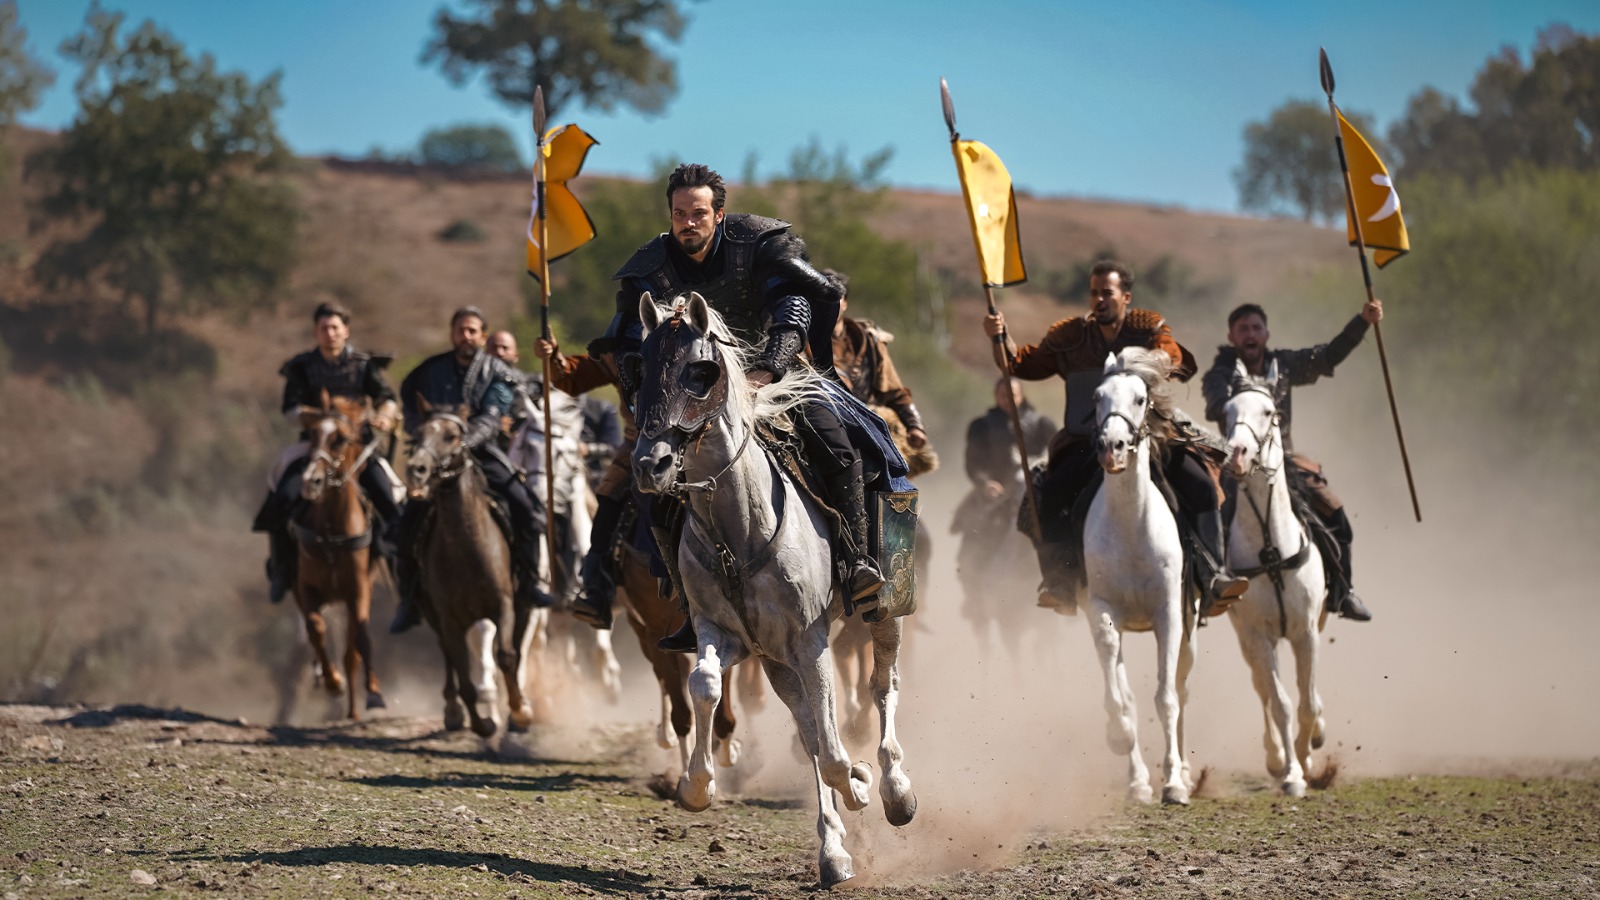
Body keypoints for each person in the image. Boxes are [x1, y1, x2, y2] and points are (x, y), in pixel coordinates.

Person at [611, 163, 909, 651]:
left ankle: (859, 564)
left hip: (774, 379)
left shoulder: (758, 246)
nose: (689, 222)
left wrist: (767, 369)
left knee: (845, 446)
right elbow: (626, 340)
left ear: (719, 214)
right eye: (679, 213)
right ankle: (690, 599)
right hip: (692, 399)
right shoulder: (650, 268)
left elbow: (793, 309)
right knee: (649, 479)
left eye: (699, 213)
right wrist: (643, 397)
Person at [984, 259, 1249, 615]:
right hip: (1084, 443)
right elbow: (1019, 364)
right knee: (1049, 494)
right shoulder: (1070, 338)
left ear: (1125, 296)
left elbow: (1176, 360)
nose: (1099, 300)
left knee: (1200, 483)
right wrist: (1000, 336)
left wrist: (1150, 360)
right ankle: (1061, 581)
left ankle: (1212, 574)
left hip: (1151, 439)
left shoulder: (1148, 329)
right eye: (1094, 293)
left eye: (1106, 293)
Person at [1199, 300, 1379, 622]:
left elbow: (1326, 357)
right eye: (1243, 330)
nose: (1250, 335)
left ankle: (1343, 591)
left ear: (1266, 333)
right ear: (1232, 336)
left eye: (1256, 328)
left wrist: (1362, 322)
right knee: (1210, 514)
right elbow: (1215, 406)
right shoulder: (1220, 375)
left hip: (1283, 462)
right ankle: (1207, 588)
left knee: (1335, 514)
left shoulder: (1282, 365)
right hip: (1236, 462)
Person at [390, 307, 550, 633]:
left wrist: (462, 442)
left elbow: (492, 418)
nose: (466, 336)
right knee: (403, 525)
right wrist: (421, 431)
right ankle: (408, 600)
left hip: (482, 453)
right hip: (436, 456)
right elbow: (409, 399)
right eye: (460, 330)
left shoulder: (497, 372)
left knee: (528, 510)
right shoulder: (429, 371)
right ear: (452, 334)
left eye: (472, 330)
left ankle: (530, 583)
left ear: (482, 335)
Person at [252, 301, 402, 604]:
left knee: (391, 500)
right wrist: (321, 419)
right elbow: (291, 410)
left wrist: (385, 414)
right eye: (324, 328)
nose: (330, 333)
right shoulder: (302, 367)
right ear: (315, 332)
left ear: (346, 331)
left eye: (335, 327)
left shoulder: (363, 365)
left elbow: (386, 398)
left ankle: (402, 575)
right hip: (315, 446)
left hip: (359, 450)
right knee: (283, 496)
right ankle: (281, 568)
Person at [532, 322, 636, 630]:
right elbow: (570, 376)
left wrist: (587, 450)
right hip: (636, 448)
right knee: (606, 511)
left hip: (695, 440)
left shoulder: (692, 340)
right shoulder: (623, 350)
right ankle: (596, 590)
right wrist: (553, 358)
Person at [954, 377, 1056, 618]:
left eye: (1012, 394)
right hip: (997, 495)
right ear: (996, 396)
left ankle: (1067, 587)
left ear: (1021, 395)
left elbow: (1056, 454)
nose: (1007, 399)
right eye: (1002, 395)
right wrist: (985, 482)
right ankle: (976, 596)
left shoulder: (1041, 424)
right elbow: (973, 462)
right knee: (976, 533)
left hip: (1036, 493)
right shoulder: (982, 426)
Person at [827, 268, 928, 452]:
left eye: (834, 297)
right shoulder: (803, 339)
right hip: (823, 422)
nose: (828, 304)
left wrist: (914, 425)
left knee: (890, 469)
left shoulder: (868, 341)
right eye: (821, 297)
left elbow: (894, 390)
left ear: (845, 302)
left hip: (866, 424)